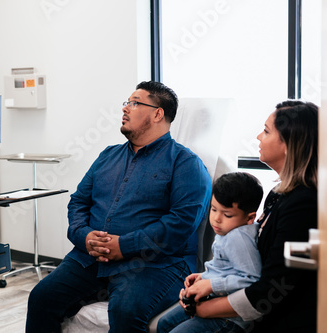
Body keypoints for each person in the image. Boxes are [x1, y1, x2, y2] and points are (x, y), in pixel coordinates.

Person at [26, 81, 212, 332]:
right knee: (41, 298)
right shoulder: (108, 156)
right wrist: (85, 236)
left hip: (154, 264)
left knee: (125, 311)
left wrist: (123, 246)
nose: (125, 109)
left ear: (158, 114)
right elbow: (78, 202)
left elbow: (181, 223)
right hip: (90, 259)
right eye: (126, 103)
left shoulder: (185, 163)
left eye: (135, 103)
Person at [191, 100, 318, 332]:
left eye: (267, 131)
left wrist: (202, 308)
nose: (259, 137)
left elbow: (278, 287)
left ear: (289, 145)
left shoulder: (306, 206)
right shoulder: (277, 194)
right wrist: (207, 279)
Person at [157, 172, 263, 333]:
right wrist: (204, 276)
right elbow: (227, 266)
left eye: (227, 214)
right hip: (214, 298)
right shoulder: (227, 230)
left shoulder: (239, 237)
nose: (216, 219)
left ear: (250, 218)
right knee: (164, 323)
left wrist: (212, 284)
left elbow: (252, 280)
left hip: (228, 317)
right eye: (213, 209)